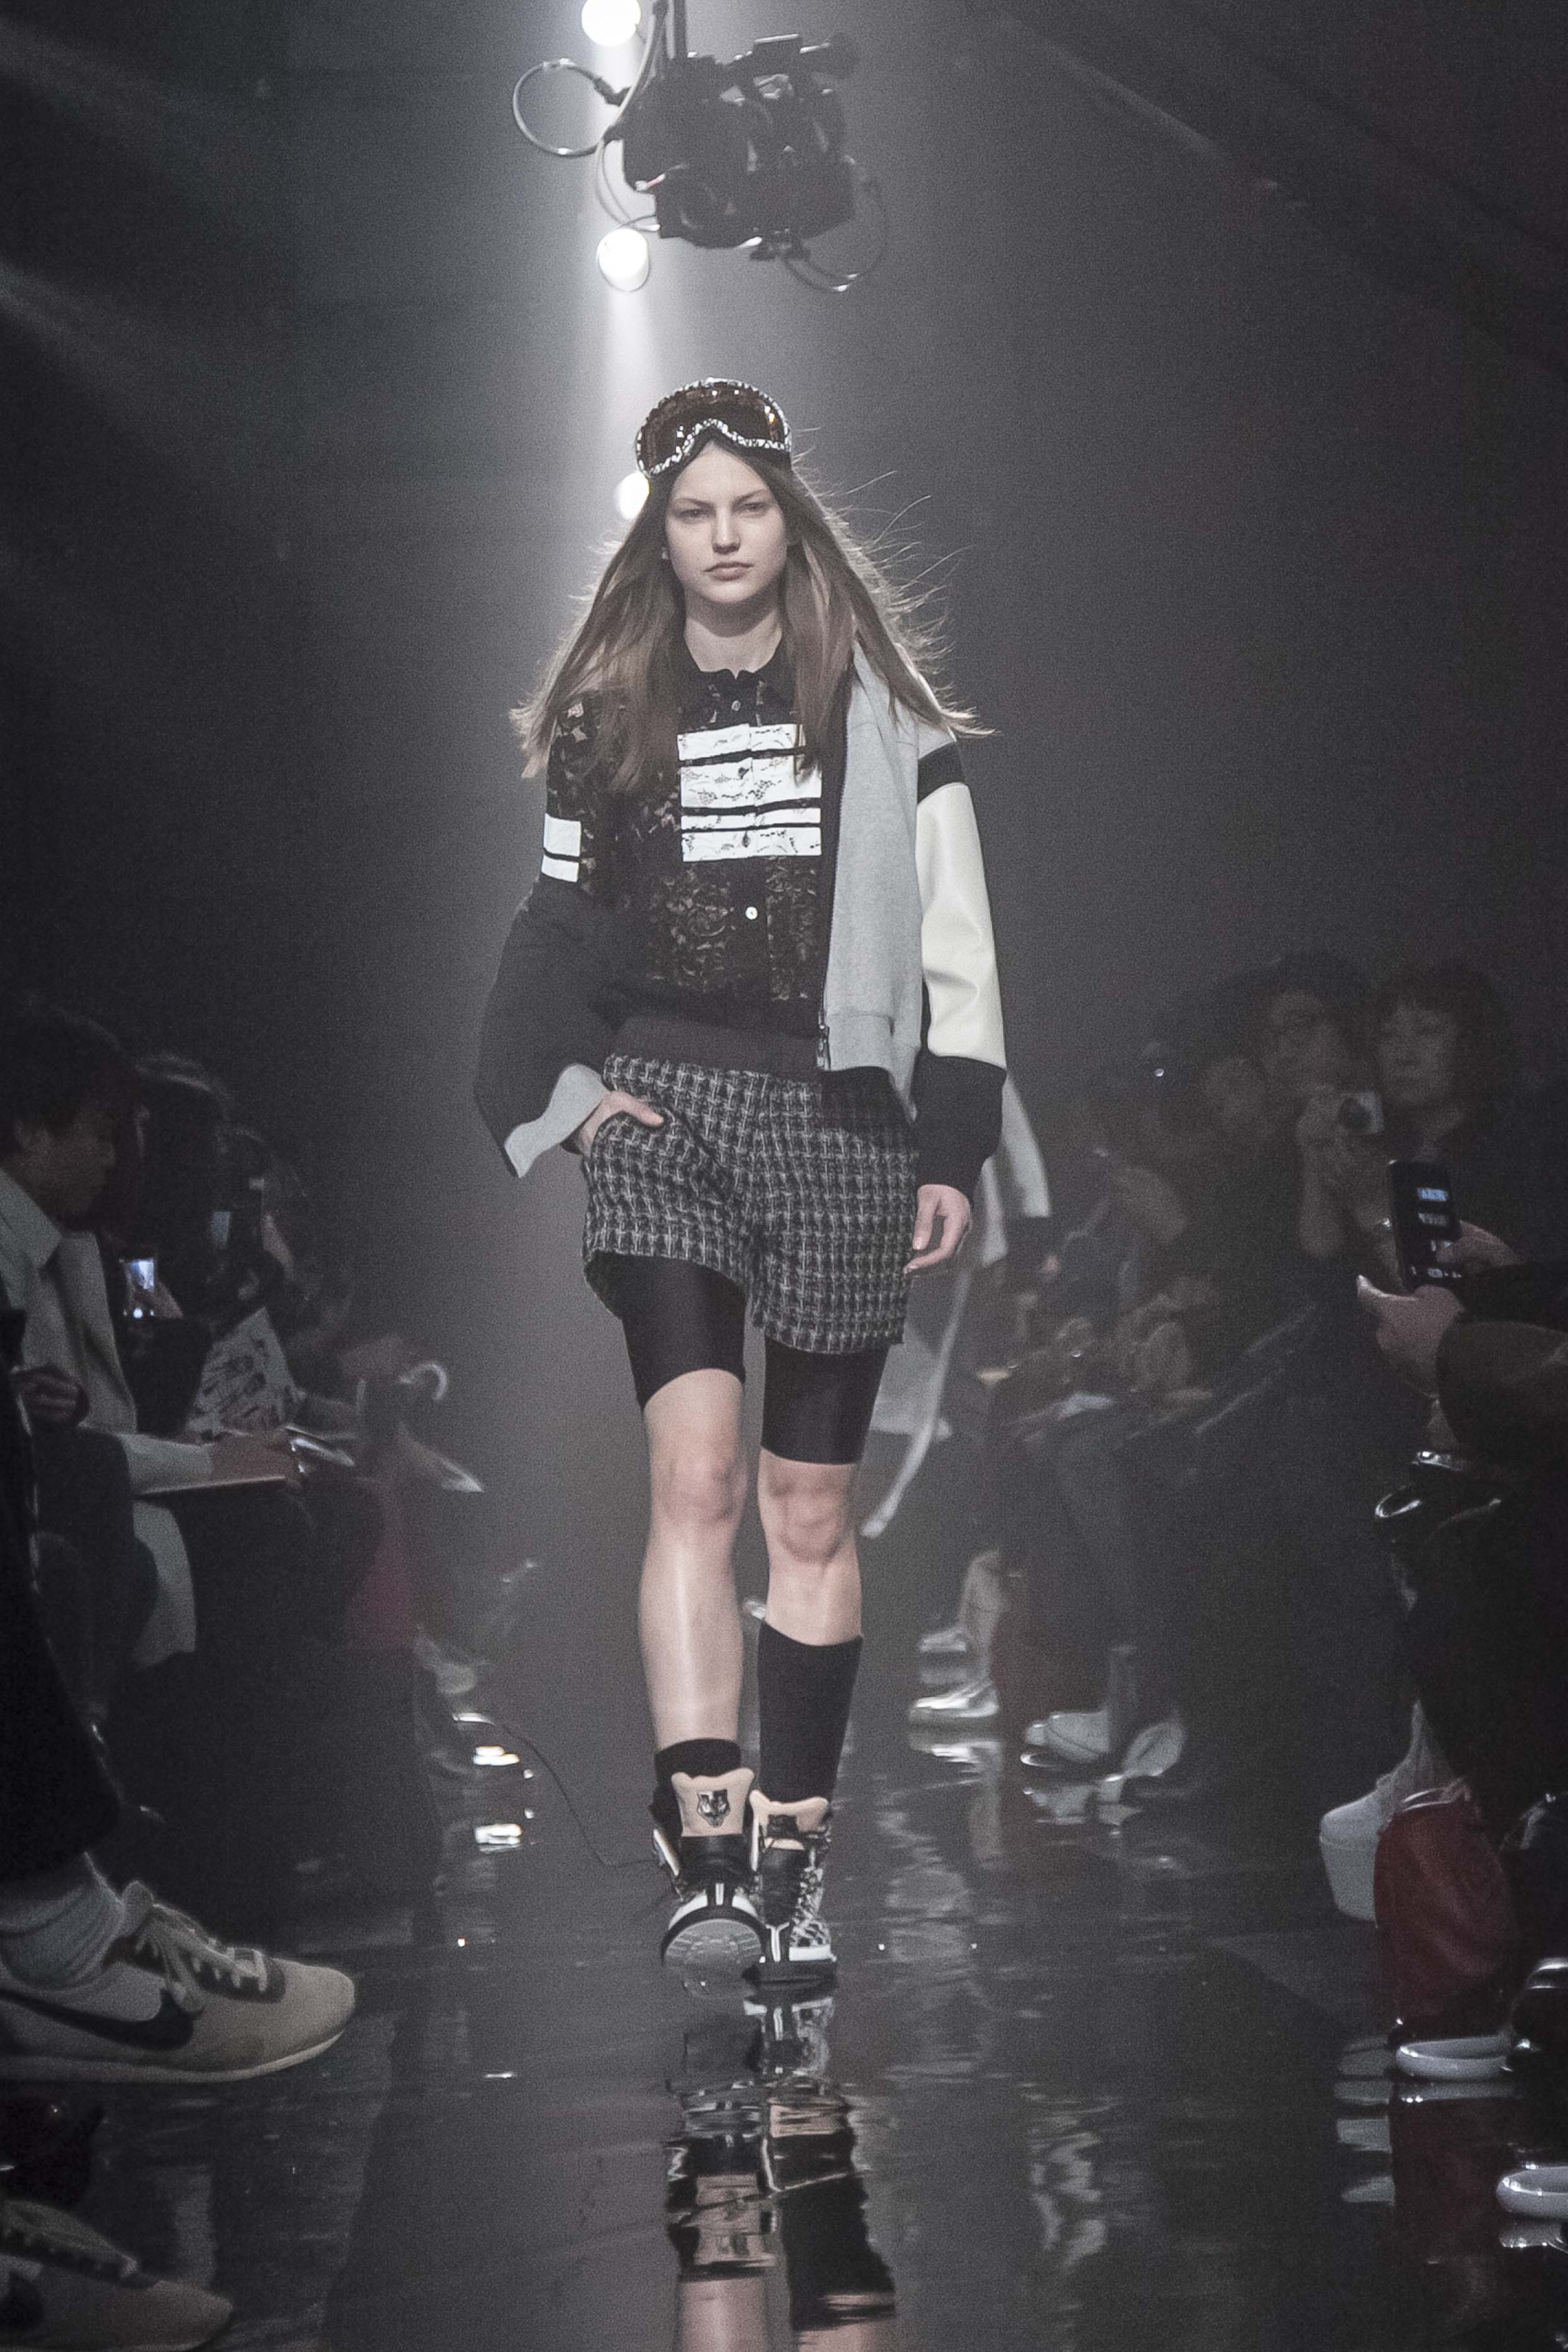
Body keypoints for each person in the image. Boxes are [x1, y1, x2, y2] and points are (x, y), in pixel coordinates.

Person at [477, 380, 1006, 1978]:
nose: (722, 537)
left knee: (809, 1502)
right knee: (695, 1478)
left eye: (748, 508)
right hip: (673, 1113)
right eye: (693, 513)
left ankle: (792, 1850)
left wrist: (954, 1141)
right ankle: (705, 1844)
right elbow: (554, 928)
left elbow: (958, 941)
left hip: (840, 1114)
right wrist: (566, 1103)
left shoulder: (883, 712)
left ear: (790, 519)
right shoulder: (604, 722)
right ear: (660, 533)